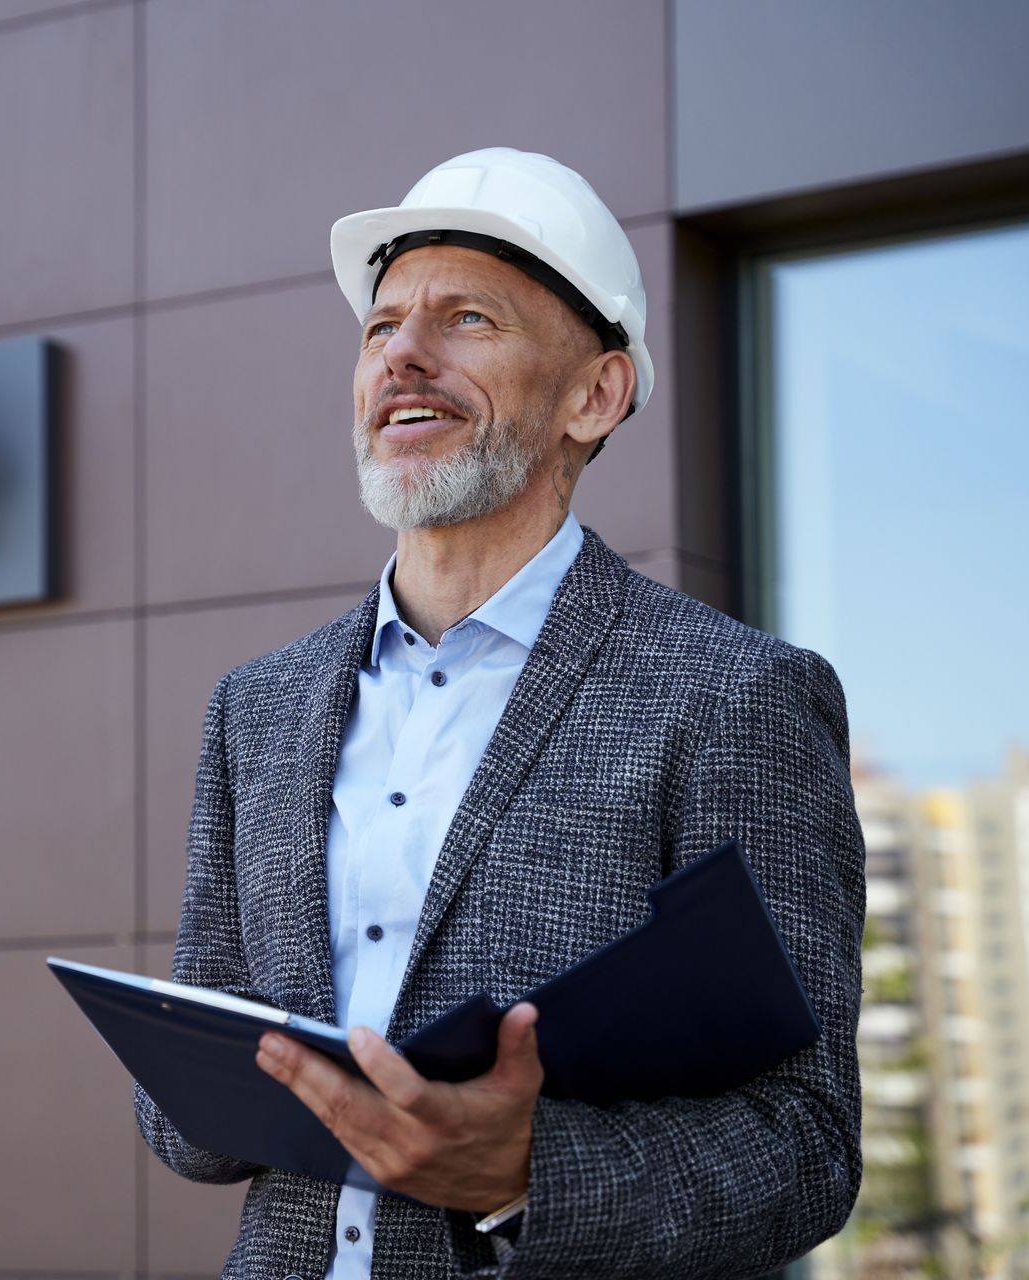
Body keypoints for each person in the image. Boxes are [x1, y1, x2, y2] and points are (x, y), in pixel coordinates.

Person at [135, 148, 866, 1279]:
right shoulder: (258, 709)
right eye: (381, 328)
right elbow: (185, 1132)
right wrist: (202, 1078)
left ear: (595, 394)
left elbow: (806, 1144)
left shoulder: (735, 696)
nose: (405, 356)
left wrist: (523, 1171)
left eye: (467, 319)